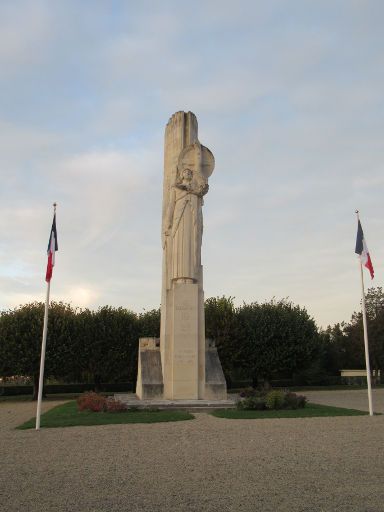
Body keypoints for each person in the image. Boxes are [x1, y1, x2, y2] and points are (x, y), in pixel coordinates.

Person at [164, 166, 208, 283]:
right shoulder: (176, 189)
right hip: (179, 222)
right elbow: (171, 207)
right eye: (185, 171)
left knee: (191, 246)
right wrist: (168, 223)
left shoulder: (196, 192)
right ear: (181, 175)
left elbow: (200, 207)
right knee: (179, 247)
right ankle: (178, 277)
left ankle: (190, 277)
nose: (187, 173)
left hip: (191, 222)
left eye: (189, 172)